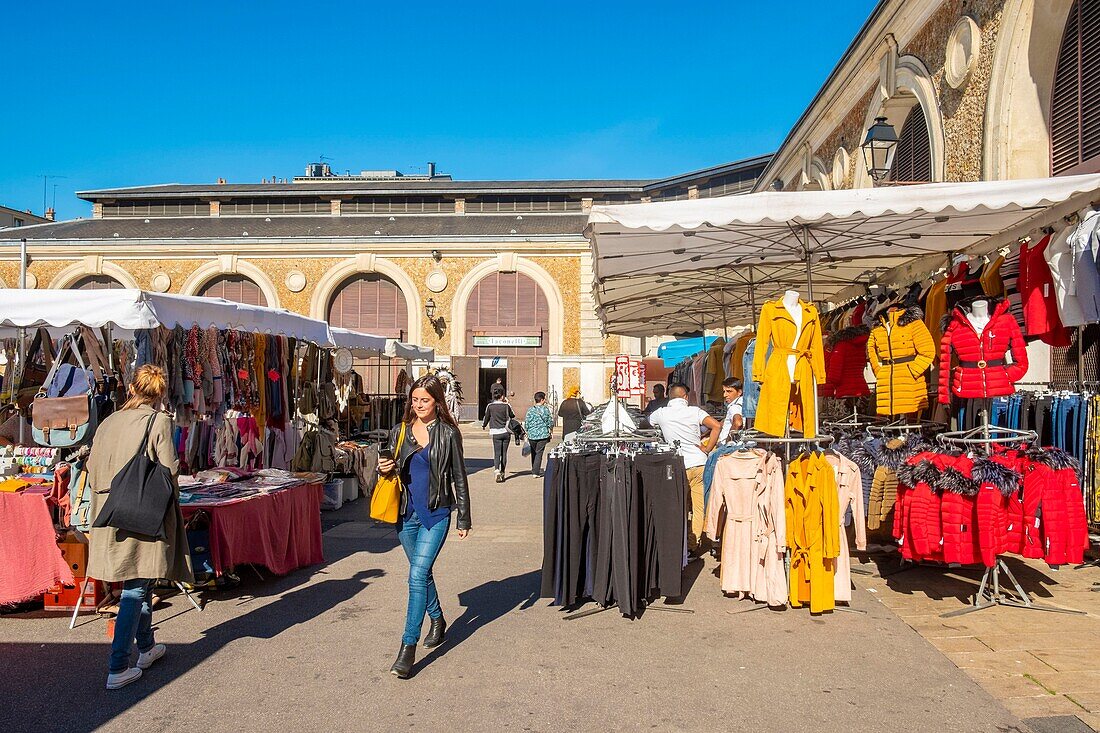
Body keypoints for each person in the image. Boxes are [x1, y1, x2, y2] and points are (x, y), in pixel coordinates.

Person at [86, 365, 193, 690]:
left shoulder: (108, 421)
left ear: (131, 389)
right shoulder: (158, 421)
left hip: (107, 510)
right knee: (136, 585)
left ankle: (146, 647)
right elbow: (169, 468)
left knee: (139, 578)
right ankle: (118, 666)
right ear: (160, 394)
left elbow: (92, 464)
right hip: (141, 512)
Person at [377, 373, 471, 679]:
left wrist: (464, 516)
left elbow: (459, 475)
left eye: (425, 400)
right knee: (423, 573)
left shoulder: (448, 433)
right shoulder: (400, 431)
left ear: (437, 401)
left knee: (416, 575)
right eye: (415, 399)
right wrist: (384, 466)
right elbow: (388, 467)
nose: (419, 405)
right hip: (407, 515)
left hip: (437, 512)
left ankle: (407, 648)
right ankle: (438, 619)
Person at [647, 383, 722, 555]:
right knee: (698, 508)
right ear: (685, 397)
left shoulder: (661, 413)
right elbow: (717, 426)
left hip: (676, 465)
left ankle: (676, 543)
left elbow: (647, 423)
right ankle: (692, 545)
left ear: (670, 397)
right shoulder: (695, 411)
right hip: (698, 463)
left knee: (677, 505)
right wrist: (708, 448)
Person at [482, 386, 515, 482]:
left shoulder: (490, 406)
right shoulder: (506, 406)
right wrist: (508, 404)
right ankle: (503, 472)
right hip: (506, 432)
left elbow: (486, 417)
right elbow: (512, 415)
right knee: (504, 453)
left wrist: (484, 425)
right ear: (502, 396)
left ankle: (496, 471)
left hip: (495, 432)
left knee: (497, 453)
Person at [523, 391, 553, 478]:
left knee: (533, 452)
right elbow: (550, 422)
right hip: (543, 434)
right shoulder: (545, 409)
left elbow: (527, 422)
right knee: (539, 453)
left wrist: (527, 431)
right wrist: (551, 430)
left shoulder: (530, 410)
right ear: (542, 400)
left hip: (532, 434)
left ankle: (534, 469)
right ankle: (536, 472)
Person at [716, 377, 745, 443]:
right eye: (724, 391)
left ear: (739, 392)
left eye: (729, 391)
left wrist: (727, 442)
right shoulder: (744, 404)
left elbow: (738, 423)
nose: (725, 395)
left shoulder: (735, 407)